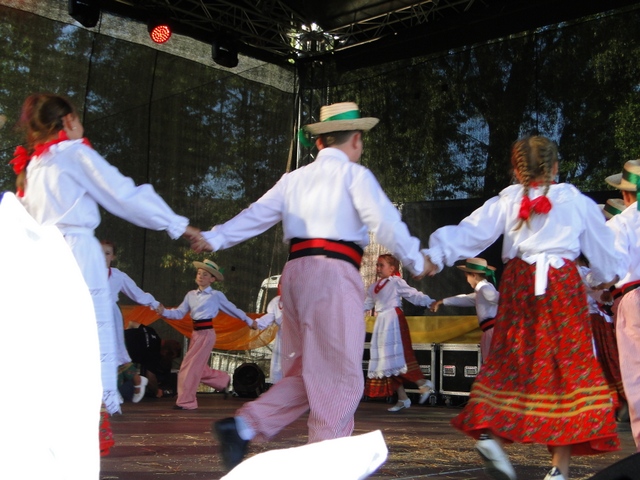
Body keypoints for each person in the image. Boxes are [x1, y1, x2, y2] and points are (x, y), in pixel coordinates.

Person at [190, 101, 429, 471]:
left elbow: (257, 213)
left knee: (309, 371)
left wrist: (216, 237)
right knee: (339, 376)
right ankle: (327, 467)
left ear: (320, 142)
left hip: (296, 275)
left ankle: (243, 426)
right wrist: (416, 260)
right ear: (355, 139)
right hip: (333, 273)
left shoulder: (294, 179)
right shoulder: (354, 175)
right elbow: (385, 222)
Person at [421, 136, 624, 480]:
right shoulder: (574, 200)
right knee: (566, 368)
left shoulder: (508, 200)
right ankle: (559, 470)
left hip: (519, 282)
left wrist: (436, 255)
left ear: (517, 171)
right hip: (561, 285)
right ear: (555, 167)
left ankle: (490, 435)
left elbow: (471, 232)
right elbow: (602, 251)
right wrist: (607, 277)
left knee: (511, 358)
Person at [10, 94, 200, 440]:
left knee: (57, 341)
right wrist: (178, 225)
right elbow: (124, 194)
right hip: (77, 254)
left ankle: (52, 427)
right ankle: (85, 426)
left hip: (46, 259)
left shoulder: (34, 166)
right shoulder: (73, 153)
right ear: (68, 120)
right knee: (87, 338)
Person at [156, 259, 258, 410]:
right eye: (199, 273)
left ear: (212, 279)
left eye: (205, 274)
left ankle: (186, 402)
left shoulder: (215, 295)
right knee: (198, 368)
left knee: (189, 368)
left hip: (207, 334)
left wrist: (249, 321)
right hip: (196, 334)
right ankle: (222, 380)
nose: (201, 276)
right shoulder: (190, 295)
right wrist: (163, 311)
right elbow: (179, 313)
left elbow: (232, 309)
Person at [364, 254, 435, 412]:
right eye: (377, 265)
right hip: (381, 323)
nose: (378, 268)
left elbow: (412, 294)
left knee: (399, 356)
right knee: (386, 362)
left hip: (394, 320)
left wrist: (429, 302)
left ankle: (422, 383)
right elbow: (367, 304)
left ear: (392, 268)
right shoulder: (373, 287)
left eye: (381, 265)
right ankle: (403, 398)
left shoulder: (396, 282)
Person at [604, 159, 640, 450]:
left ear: (626, 193)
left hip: (633, 299)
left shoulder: (622, 223)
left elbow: (612, 269)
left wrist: (595, 281)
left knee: (637, 376)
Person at [430, 257, 499, 361]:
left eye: (467, 276)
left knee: (492, 363)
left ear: (474, 275)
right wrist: (442, 301)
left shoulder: (485, 288)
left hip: (492, 332)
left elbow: (500, 298)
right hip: (489, 331)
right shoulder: (481, 291)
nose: (467, 280)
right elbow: (465, 298)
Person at [255, 283, 284, 384]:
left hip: (299, 341)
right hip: (282, 341)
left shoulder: (302, 300)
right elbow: (268, 318)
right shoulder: (276, 302)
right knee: (278, 368)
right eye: (281, 284)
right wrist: (255, 323)